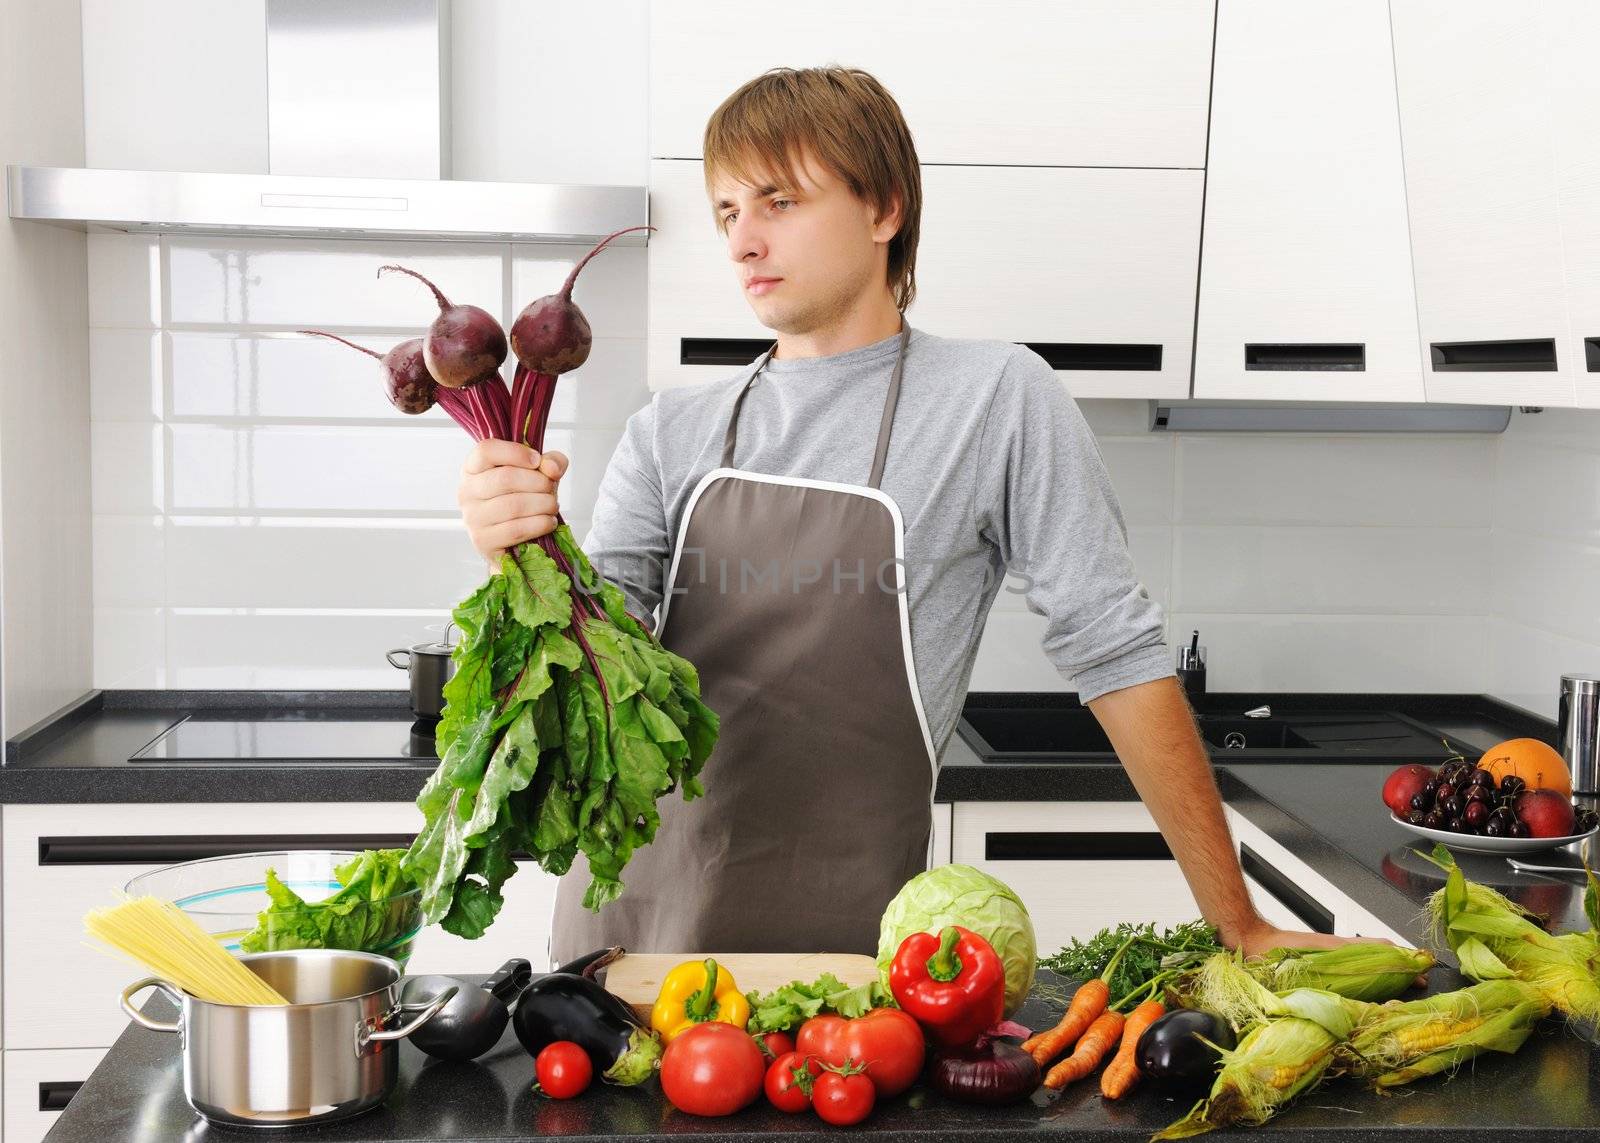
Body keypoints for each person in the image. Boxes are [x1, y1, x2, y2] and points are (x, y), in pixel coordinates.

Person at [457, 66, 1378, 966]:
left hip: (856, 952)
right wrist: (518, 559)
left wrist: (1237, 920)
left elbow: (1118, 655)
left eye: (779, 201)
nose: (743, 241)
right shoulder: (670, 429)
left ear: (885, 209)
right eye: (729, 212)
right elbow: (589, 677)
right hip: (636, 936)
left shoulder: (996, 399)